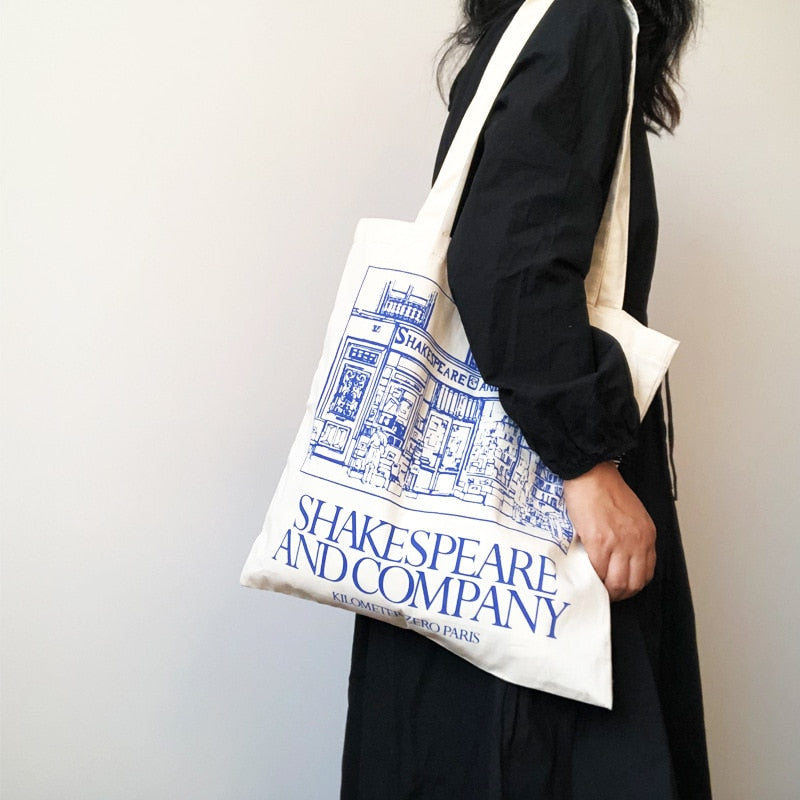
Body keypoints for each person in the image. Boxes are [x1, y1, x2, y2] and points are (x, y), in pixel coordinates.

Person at [340, 0, 711, 797]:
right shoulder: (584, 15)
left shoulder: (555, 18)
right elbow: (507, 260)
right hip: (550, 505)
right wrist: (588, 466)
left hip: (483, 549)